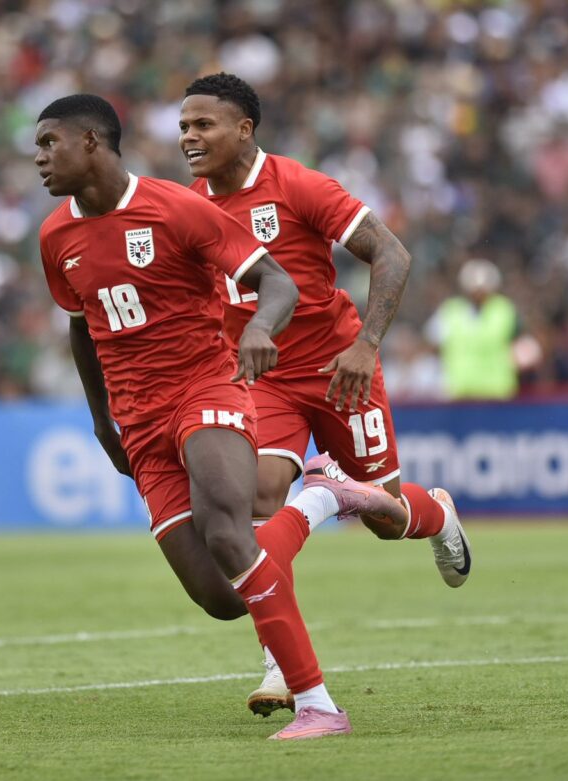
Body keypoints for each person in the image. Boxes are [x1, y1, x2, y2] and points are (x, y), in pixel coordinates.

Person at [36, 93, 410, 740]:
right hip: (139, 422)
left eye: (49, 143)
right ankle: (323, 498)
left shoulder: (178, 207)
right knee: (223, 596)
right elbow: (81, 328)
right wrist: (102, 422)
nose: (39, 158)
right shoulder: (54, 237)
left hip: (206, 386)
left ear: (91, 142)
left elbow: (280, 281)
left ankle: (318, 704)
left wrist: (261, 328)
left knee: (233, 529)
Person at [179, 73, 473, 716]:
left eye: (203, 125)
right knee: (258, 493)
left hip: (341, 370)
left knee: (384, 517)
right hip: (261, 377)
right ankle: (279, 662)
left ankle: (435, 513)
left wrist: (367, 344)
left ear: (244, 129)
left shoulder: (298, 185)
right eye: (184, 127)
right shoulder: (188, 207)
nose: (189, 138)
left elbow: (391, 254)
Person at [425, 258, 534, 399]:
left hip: (497, 393)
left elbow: (523, 344)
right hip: (460, 394)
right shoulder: (450, 311)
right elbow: (432, 344)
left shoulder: (504, 310)